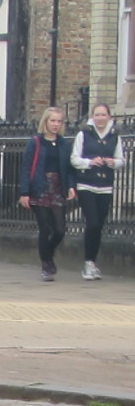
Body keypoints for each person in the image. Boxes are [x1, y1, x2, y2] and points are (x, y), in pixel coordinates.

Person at [18, 106, 76, 282]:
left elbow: (69, 168)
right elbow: (27, 168)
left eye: (59, 121)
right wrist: (24, 192)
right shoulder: (35, 142)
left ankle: (47, 252)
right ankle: (46, 265)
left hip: (58, 188)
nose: (56, 124)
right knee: (45, 228)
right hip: (40, 187)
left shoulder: (64, 143)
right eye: (53, 120)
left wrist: (71, 186)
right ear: (46, 122)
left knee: (59, 230)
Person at [69, 102, 123, 280]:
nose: (100, 118)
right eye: (97, 115)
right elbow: (74, 159)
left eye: (103, 115)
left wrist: (112, 162)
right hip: (86, 184)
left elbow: (121, 159)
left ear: (109, 117)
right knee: (91, 222)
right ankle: (88, 263)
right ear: (92, 117)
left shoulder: (115, 136)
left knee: (99, 225)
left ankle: (92, 262)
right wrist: (90, 162)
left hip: (105, 186)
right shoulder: (83, 134)